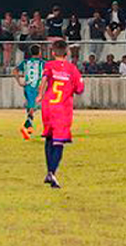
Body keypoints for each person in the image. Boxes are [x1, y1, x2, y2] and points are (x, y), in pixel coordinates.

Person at [37, 39, 84, 189]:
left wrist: (40, 95)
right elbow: (79, 89)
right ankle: (52, 172)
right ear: (67, 53)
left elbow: (44, 80)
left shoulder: (48, 65)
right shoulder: (72, 69)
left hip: (47, 107)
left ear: (52, 52)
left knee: (49, 137)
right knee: (59, 141)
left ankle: (49, 172)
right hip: (62, 109)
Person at [15, 44, 46, 139]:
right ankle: (25, 126)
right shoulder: (42, 63)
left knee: (31, 107)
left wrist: (19, 81)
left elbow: (15, 70)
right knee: (33, 108)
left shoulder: (25, 62)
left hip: (27, 87)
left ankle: (29, 127)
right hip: (36, 87)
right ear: (39, 52)